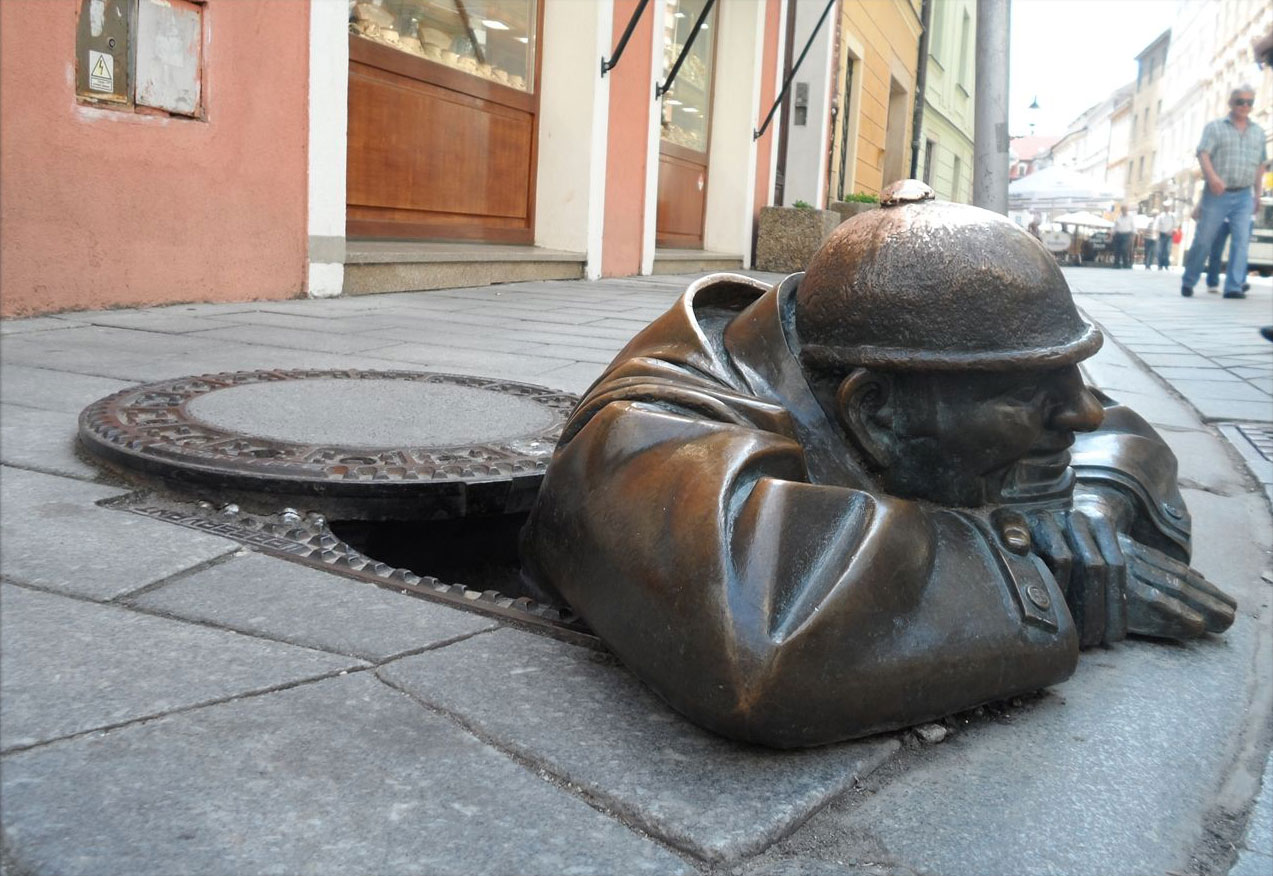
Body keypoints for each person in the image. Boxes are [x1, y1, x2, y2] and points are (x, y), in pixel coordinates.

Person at [521, 180, 1235, 749]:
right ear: (874, 413)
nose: (1080, 413)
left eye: (1070, 375)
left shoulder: (940, 370)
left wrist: (1090, 519)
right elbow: (759, 637)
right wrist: (1031, 570)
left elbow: (1116, 433)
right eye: (1034, 394)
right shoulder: (645, 432)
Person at [1180, 85, 1268, 298]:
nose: (1244, 106)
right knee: (1204, 239)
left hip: (1244, 194)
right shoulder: (1215, 127)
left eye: (1249, 102)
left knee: (1241, 241)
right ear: (1231, 103)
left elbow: (1260, 165)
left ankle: (1234, 287)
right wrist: (1212, 178)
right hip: (1217, 193)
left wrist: (1257, 194)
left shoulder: (1258, 132)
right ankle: (1189, 280)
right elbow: (1203, 153)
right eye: (1240, 101)